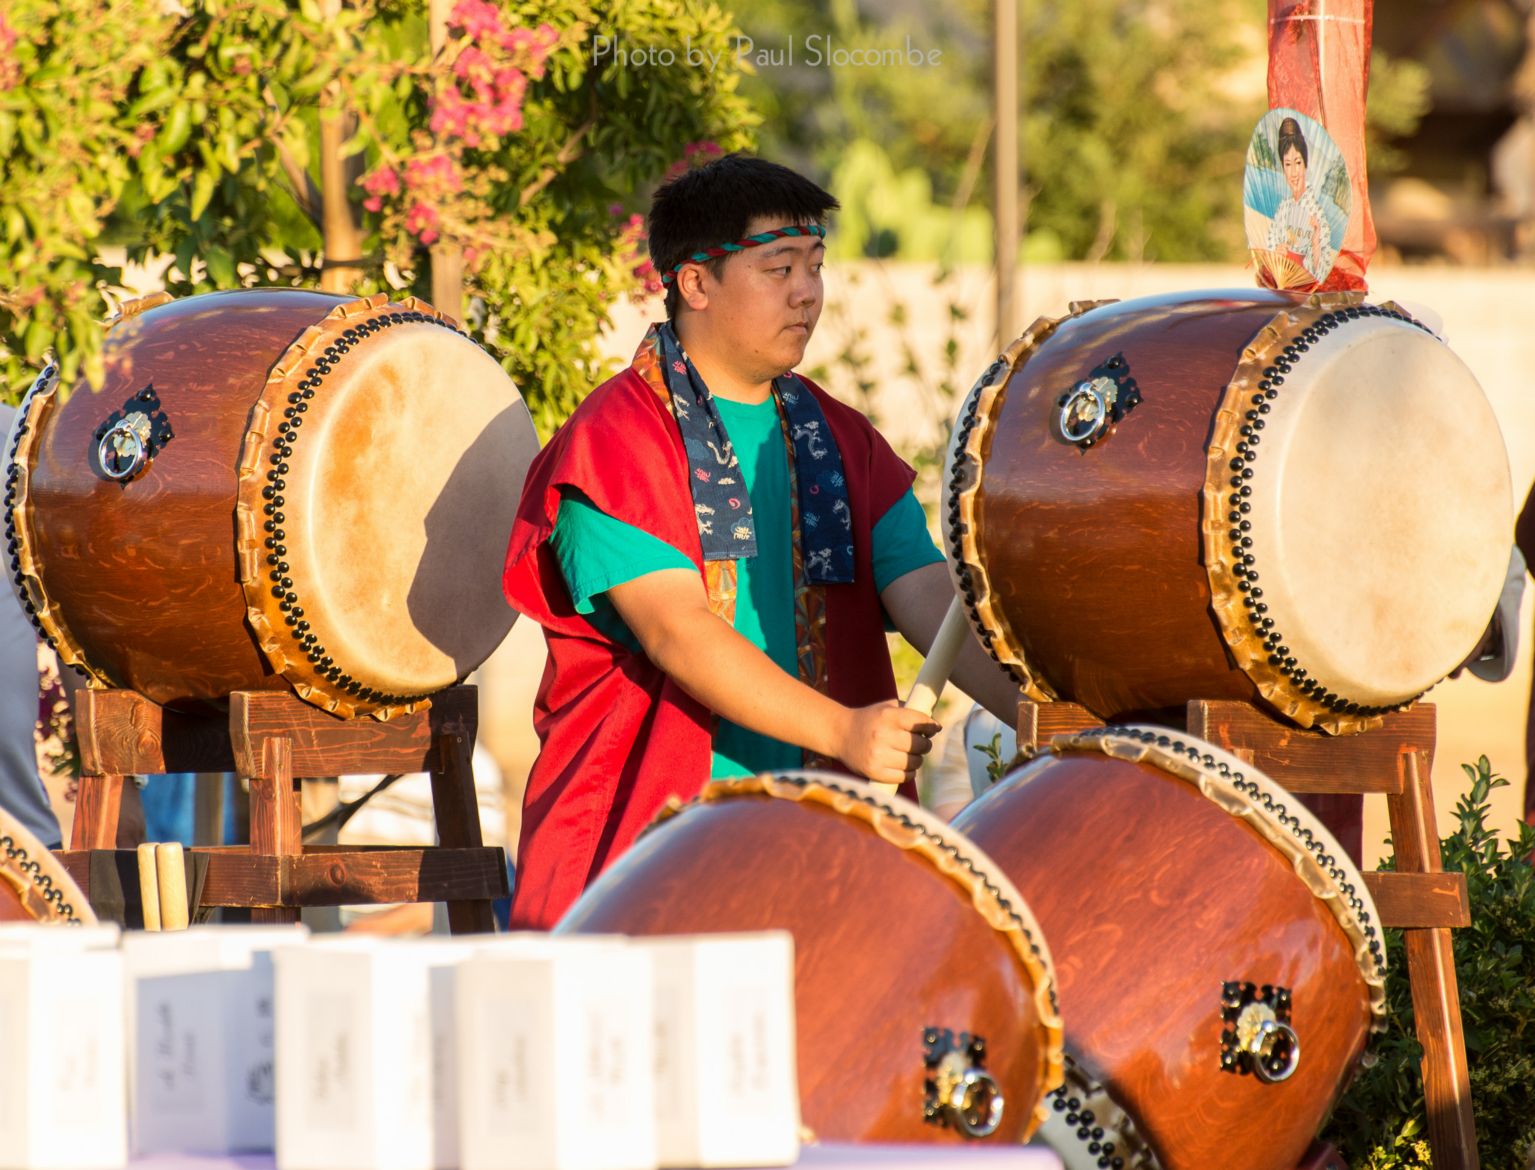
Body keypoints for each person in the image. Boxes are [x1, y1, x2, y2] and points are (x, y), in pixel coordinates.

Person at [501, 154, 1020, 929]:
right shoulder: (616, 440)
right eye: (777, 267)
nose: (806, 291)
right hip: (649, 856)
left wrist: (1048, 717)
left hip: (824, 849)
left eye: (814, 265)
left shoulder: (841, 441)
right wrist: (846, 730)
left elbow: (926, 592)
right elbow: (677, 631)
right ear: (694, 282)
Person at [1265, 117, 1336, 283]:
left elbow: (1321, 272)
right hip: (1283, 286)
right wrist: (1277, 253)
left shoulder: (1317, 213)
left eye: (1298, 162)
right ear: (1283, 168)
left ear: (1305, 164)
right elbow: (1269, 254)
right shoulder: (1282, 209)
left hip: (1307, 291)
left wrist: (1315, 241)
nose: (1294, 172)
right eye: (1288, 164)